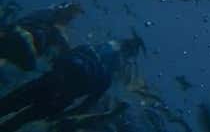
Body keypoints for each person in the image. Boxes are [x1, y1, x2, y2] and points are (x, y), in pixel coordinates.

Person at [0, 33, 145, 132]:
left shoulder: (88, 49)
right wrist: (61, 116)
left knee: (7, 104)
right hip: (59, 101)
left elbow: (57, 60)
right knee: (17, 122)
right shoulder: (106, 77)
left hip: (47, 82)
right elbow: (85, 106)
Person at [0, 2, 83, 72]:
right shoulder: (48, 16)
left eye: (70, 16)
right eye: (69, 14)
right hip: (22, 43)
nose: (68, 19)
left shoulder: (58, 34)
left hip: (23, 49)